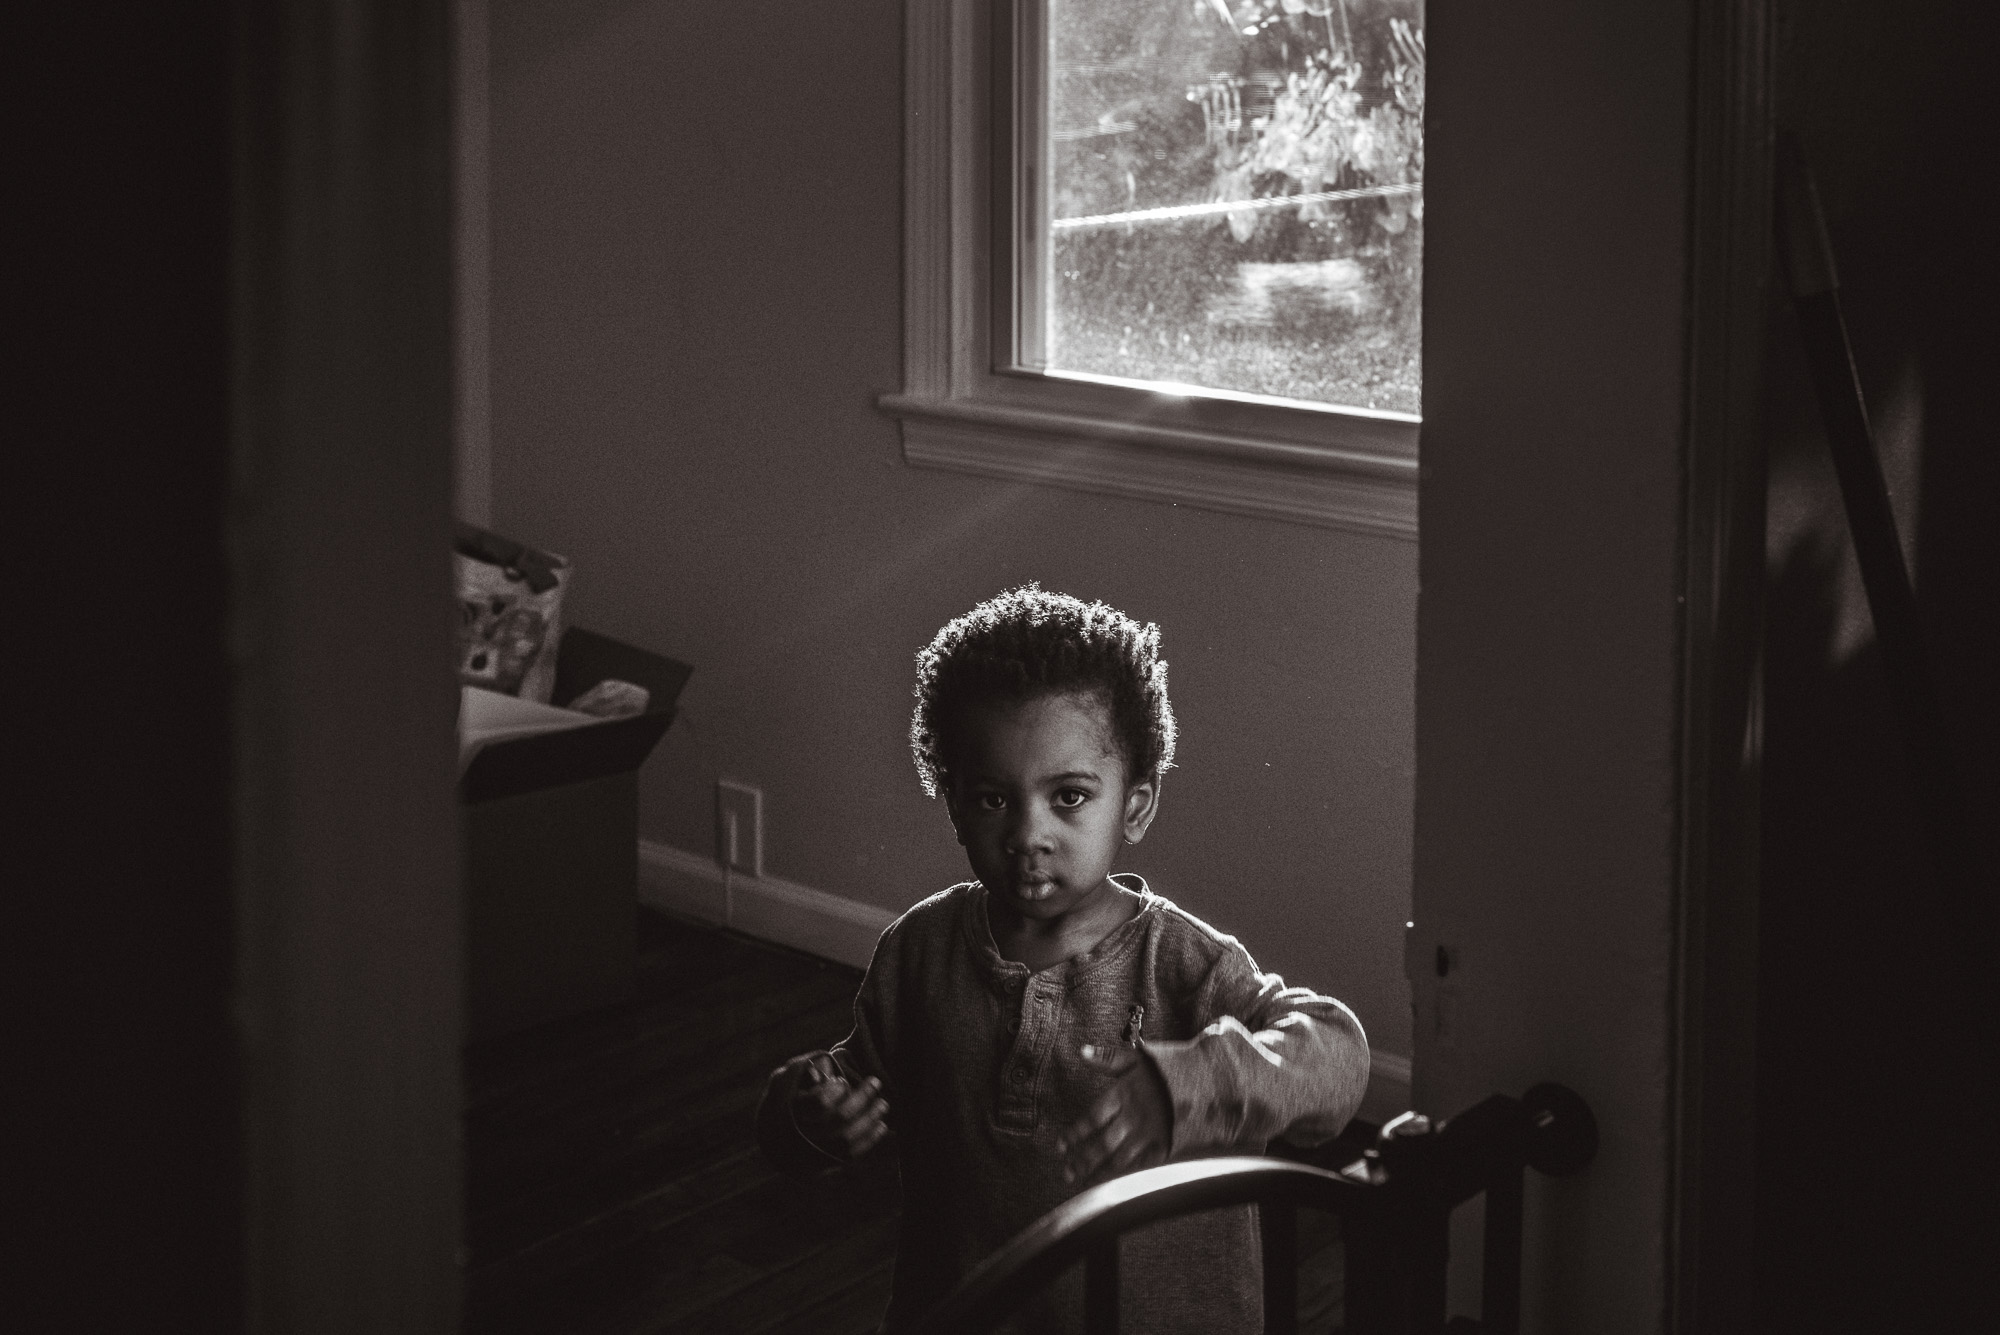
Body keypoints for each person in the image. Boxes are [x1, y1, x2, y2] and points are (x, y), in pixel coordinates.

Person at [755, 585, 1370, 1333]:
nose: (1028, 833)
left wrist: (1193, 1080)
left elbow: (1339, 1058)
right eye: (992, 799)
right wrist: (807, 1107)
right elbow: (848, 1082)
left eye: (1069, 796)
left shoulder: (1185, 963)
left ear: (1135, 806)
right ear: (952, 800)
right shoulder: (919, 951)